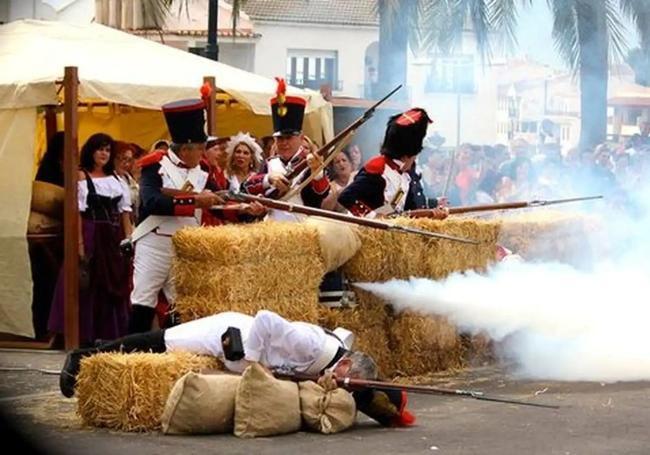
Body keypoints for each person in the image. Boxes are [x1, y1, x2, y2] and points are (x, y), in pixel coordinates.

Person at [59, 309, 414, 427]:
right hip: (230, 336)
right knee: (158, 341)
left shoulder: (331, 361)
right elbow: (265, 319)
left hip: (241, 352)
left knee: (158, 342)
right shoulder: (313, 347)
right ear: (346, 363)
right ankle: (85, 357)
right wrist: (256, 368)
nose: (339, 388)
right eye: (344, 382)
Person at [127, 98, 224, 333]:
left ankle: (172, 352)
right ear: (185, 148)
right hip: (155, 241)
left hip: (185, 245)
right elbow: (152, 202)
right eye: (200, 147)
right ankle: (134, 354)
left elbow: (220, 200)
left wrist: (246, 210)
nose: (204, 153)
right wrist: (194, 200)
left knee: (180, 304)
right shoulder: (155, 166)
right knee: (144, 298)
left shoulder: (203, 170)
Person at [48, 133, 133, 345]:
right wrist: (79, 243)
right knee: (86, 281)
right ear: (91, 151)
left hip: (112, 236)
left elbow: (124, 213)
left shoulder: (117, 179)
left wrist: (129, 240)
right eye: (100, 149)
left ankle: (108, 334)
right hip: (90, 232)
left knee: (111, 283)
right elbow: (77, 213)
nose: (104, 153)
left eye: (107, 150)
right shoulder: (80, 176)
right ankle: (82, 333)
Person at [242, 77, 330, 222]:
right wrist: (268, 179)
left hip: (303, 229)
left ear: (301, 138)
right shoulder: (270, 164)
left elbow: (321, 193)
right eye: (280, 139)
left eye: (289, 138)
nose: (284, 143)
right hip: (273, 230)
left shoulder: (309, 162)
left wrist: (318, 173)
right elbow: (246, 187)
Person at [338, 108, 447, 220]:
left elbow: (397, 209)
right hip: (363, 231)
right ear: (407, 155)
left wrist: (432, 214)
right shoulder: (378, 168)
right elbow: (346, 197)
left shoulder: (405, 176)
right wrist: (372, 216)